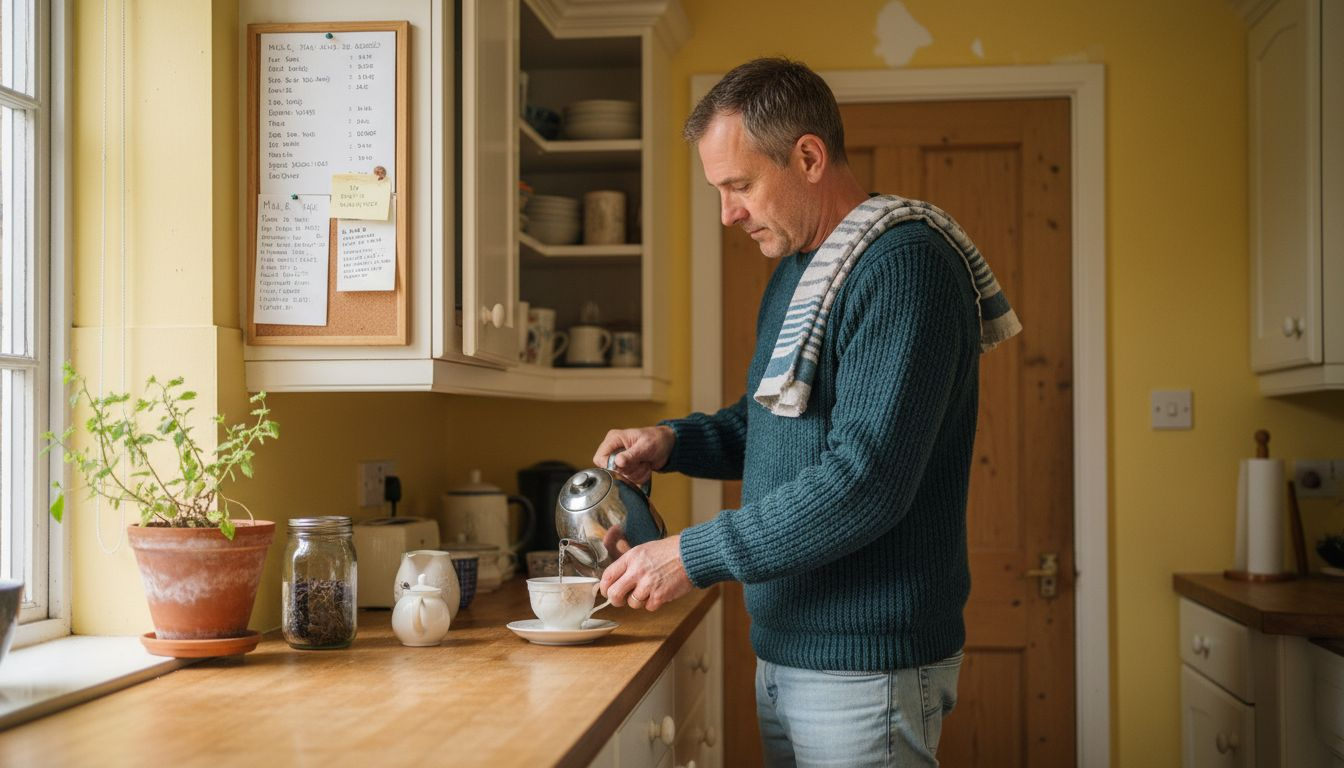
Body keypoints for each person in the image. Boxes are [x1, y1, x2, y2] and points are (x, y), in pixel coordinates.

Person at [592, 57, 1018, 767]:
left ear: (809, 157)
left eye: (739, 186)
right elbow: (773, 426)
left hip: (865, 668)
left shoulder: (905, 266)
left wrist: (690, 555)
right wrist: (671, 441)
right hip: (791, 653)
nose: (728, 213)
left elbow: (865, 481)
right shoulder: (802, 271)